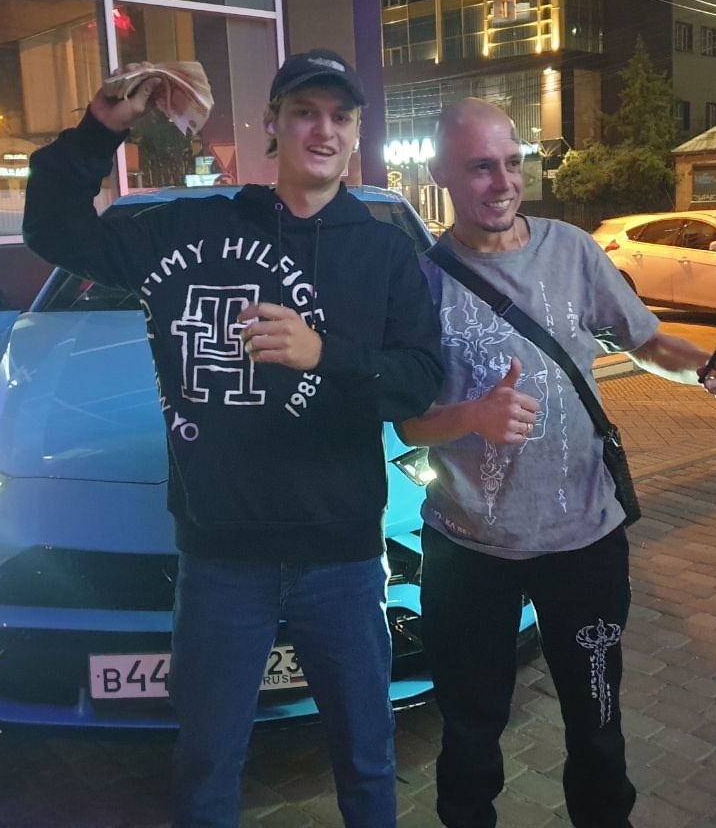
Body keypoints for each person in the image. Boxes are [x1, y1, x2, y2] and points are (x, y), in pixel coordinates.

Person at [23, 49, 444, 828]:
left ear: (357, 132)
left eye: (340, 116)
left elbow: (420, 381)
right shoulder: (194, 228)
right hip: (222, 558)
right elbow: (52, 228)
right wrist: (101, 128)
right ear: (272, 123)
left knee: (365, 754)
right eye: (305, 111)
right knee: (207, 760)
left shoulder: (383, 250)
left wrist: (324, 354)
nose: (323, 130)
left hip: (342, 556)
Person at [398, 98, 716, 828]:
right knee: (469, 736)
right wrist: (473, 417)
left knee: (597, 729)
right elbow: (407, 420)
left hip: (584, 543)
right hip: (469, 552)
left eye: (512, 163)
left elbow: (647, 343)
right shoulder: (421, 282)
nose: (503, 182)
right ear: (440, 175)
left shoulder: (572, 250)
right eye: (480, 167)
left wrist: (704, 369)